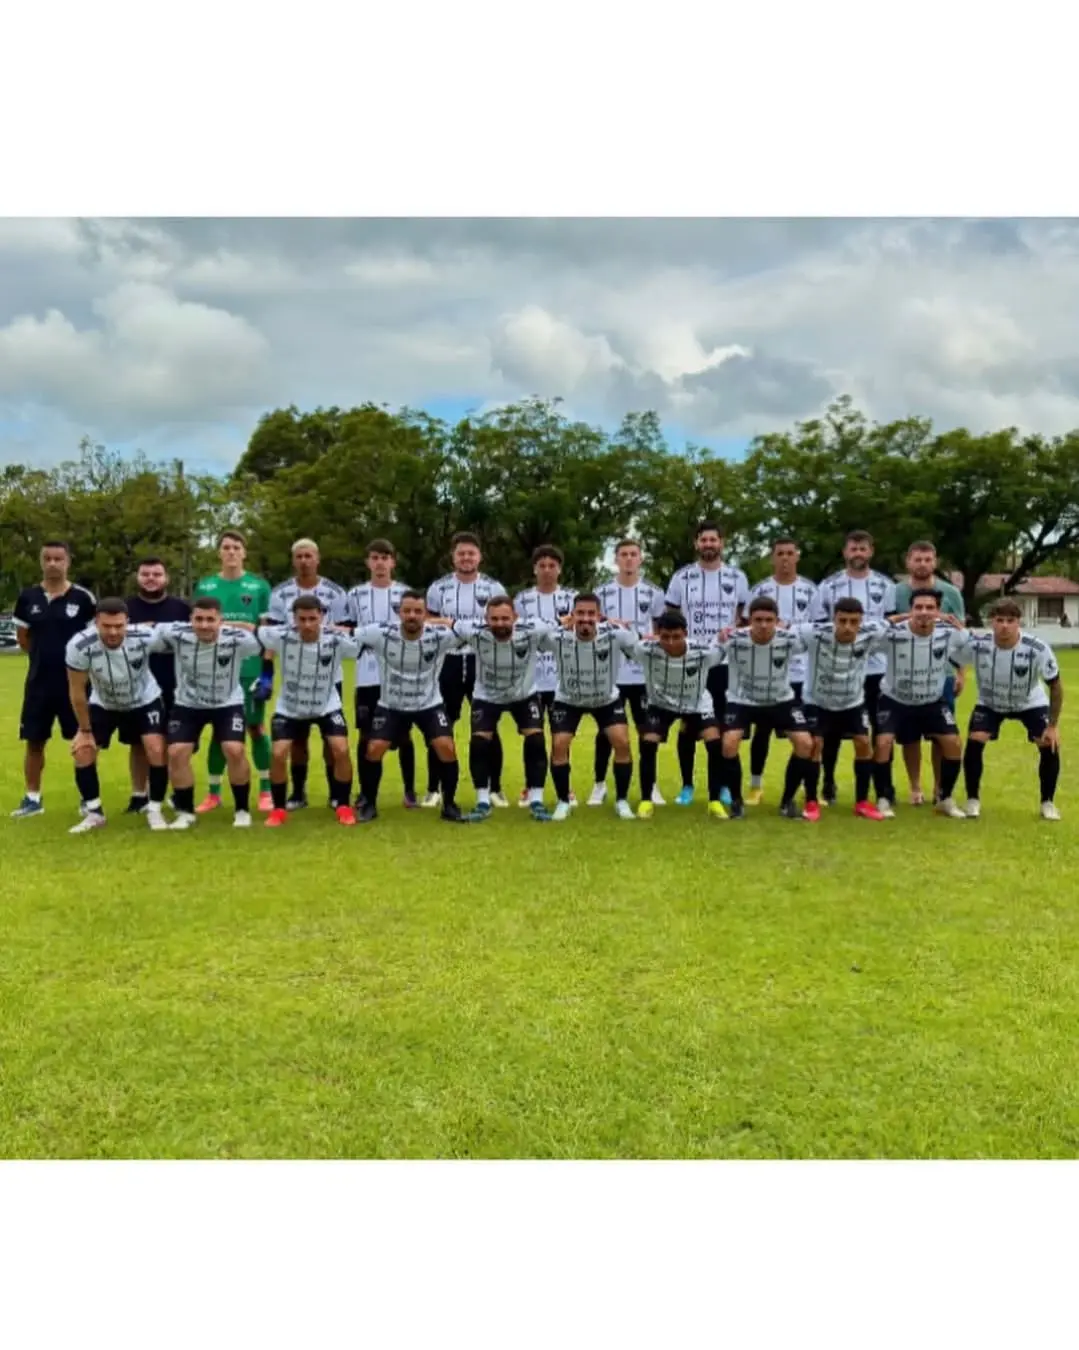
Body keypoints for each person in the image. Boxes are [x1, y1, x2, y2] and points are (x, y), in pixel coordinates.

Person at [352, 590, 472, 823]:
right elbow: (347, 633)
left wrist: (445, 621)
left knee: (446, 746)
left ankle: (449, 805)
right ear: (399, 613)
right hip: (391, 704)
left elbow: (470, 631)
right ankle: (369, 803)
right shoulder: (380, 633)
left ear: (426, 614)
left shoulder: (439, 635)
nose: (412, 616)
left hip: (429, 704)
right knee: (374, 747)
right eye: (407, 611)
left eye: (418, 611)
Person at [151, 597, 263, 829]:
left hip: (227, 702)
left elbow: (264, 636)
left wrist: (243, 625)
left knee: (234, 750)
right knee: (176, 752)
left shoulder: (239, 639)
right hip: (188, 703)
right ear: (190, 619)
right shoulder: (176, 632)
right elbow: (147, 627)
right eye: (198, 619)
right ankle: (185, 811)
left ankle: (242, 810)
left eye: (210, 619)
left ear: (220, 620)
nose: (204, 625)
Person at [64, 599, 170, 834]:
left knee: (155, 748)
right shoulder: (79, 645)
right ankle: (94, 813)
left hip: (144, 700)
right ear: (96, 623)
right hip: (104, 703)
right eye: (106, 626)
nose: (113, 632)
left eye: (119, 626)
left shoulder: (144, 636)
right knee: (83, 751)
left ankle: (154, 809)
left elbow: (181, 641)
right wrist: (84, 730)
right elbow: (77, 691)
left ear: (127, 623)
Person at [665, 520, 749, 806]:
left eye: (714, 540)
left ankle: (724, 785)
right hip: (690, 661)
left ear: (722, 543)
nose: (709, 545)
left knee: (724, 728)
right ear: (696, 543)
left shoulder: (738, 578)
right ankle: (687, 786)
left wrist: (733, 633)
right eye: (704, 540)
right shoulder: (681, 578)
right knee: (688, 725)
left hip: (724, 663)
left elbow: (744, 619)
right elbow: (670, 619)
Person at [191, 531, 274, 815]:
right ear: (219, 552)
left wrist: (267, 673)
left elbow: (266, 633)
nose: (231, 552)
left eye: (236, 547)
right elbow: (197, 629)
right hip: (216, 670)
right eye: (225, 547)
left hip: (249, 669)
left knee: (254, 727)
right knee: (219, 730)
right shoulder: (206, 585)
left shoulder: (258, 586)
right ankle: (214, 793)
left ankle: (265, 790)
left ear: (244, 552)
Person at [11, 541, 97, 818]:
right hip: (38, 683)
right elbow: (24, 640)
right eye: (47, 558)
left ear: (68, 561)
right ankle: (32, 799)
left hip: (74, 684)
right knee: (34, 741)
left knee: (82, 739)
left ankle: (88, 798)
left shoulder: (83, 598)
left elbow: (92, 640)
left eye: (58, 558)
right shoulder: (27, 598)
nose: (52, 563)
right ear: (41, 561)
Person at [451, 596, 555, 822]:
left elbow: (564, 621)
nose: (500, 623)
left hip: (523, 695)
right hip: (486, 696)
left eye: (505, 618)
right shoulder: (474, 632)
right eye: (494, 619)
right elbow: (446, 622)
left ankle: (536, 799)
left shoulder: (533, 629)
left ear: (515, 618)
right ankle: (482, 801)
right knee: (479, 743)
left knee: (536, 740)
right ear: (486, 619)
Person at [956, 598, 1063, 821]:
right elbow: (954, 657)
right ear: (991, 622)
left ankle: (1048, 802)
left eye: (1010, 620)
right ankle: (972, 799)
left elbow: (1055, 685)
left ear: (1018, 623)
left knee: (1048, 744)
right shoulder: (978, 644)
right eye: (999, 620)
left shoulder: (1037, 648)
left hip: (1029, 702)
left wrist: (1052, 726)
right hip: (990, 702)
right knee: (975, 740)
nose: (1004, 625)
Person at [258, 596, 360, 828]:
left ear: (321, 617)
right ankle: (279, 809)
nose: (307, 624)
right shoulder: (280, 636)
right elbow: (254, 630)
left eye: (312, 619)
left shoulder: (337, 640)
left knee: (340, 749)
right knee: (278, 753)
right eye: (301, 619)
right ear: (293, 618)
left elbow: (362, 641)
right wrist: (265, 677)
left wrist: (344, 629)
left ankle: (343, 804)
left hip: (326, 704)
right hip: (290, 706)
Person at [813, 529, 898, 804]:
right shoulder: (828, 586)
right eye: (853, 548)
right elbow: (819, 627)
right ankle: (828, 782)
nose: (858, 553)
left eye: (863, 549)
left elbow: (890, 626)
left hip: (876, 669)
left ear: (871, 551)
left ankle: (882, 787)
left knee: (879, 729)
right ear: (845, 552)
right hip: (839, 668)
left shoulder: (886, 586)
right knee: (832, 732)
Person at [870, 589, 970, 820]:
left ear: (938, 611)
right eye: (919, 607)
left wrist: (962, 632)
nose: (924, 612)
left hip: (932, 700)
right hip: (895, 699)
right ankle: (884, 798)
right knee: (883, 743)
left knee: (953, 743)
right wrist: (890, 620)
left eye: (930, 608)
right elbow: (866, 637)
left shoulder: (949, 634)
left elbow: (969, 648)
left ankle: (944, 798)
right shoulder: (893, 634)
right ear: (910, 610)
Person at [425, 533, 508, 808]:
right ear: (453, 556)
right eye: (461, 553)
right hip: (447, 661)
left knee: (487, 727)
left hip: (481, 661)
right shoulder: (439, 588)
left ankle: (494, 788)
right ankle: (433, 788)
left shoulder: (494, 587)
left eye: (471, 553)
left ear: (479, 557)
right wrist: (445, 622)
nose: (466, 558)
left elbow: (503, 622)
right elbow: (427, 620)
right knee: (440, 726)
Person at [267, 538, 349, 810]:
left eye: (308, 556)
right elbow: (272, 640)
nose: (304, 561)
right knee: (297, 740)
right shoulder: (280, 594)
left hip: (328, 677)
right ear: (293, 560)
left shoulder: (335, 593)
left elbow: (346, 632)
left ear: (317, 558)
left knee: (332, 740)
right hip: (296, 677)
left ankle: (336, 794)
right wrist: (267, 675)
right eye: (299, 556)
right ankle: (298, 793)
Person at [542, 594, 639, 821]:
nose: (585, 619)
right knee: (559, 744)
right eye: (580, 613)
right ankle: (563, 801)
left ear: (599, 616)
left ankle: (622, 800)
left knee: (622, 742)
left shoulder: (615, 635)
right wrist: (558, 622)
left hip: (605, 699)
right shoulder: (557, 637)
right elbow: (530, 633)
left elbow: (640, 643)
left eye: (590, 614)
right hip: (568, 699)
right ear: (573, 615)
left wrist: (627, 628)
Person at [718, 597, 815, 820]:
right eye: (758, 620)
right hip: (742, 700)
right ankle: (736, 801)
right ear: (749, 620)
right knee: (729, 743)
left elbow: (818, 636)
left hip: (780, 700)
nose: (763, 625)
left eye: (769, 620)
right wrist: (720, 634)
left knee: (805, 743)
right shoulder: (733, 639)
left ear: (777, 621)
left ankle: (787, 802)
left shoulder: (790, 639)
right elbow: (707, 651)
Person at [791, 599, 888, 821]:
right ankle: (812, 801)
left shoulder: (871, 632)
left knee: (864, 743)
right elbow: (788, 630)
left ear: (861, 621)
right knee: (815, 745)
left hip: (852, 702)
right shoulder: (814, 632)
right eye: (842, 621)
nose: (847, 627)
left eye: (854, 622)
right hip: (817, 701)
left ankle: (862, 801)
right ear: (833, 619)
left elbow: (892, 622)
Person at [592, 539, 667, 807]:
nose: (628, 559)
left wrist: (652, 637)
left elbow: (660, 631)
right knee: (605, 733)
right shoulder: (601, 592)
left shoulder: (654, 593)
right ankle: (599, 785)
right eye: (623, 554)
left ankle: (652, 785)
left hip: (642, 675)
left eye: (633, 554)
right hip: (610, 674)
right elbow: (591, 624)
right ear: (616, 559)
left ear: (640, 559)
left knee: (648, 732)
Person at [630, 612, 727, 820]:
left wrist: (724, 636)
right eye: (665, 637)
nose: (671, 642)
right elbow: (630, 641)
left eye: (676, 636)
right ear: (657, 635)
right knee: (648, 743)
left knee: (714, 743)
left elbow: (723, 647)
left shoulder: (704, 653)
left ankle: (715, 801)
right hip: (660, 704)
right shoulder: (645, 650)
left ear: (686, 633)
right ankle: (646, 800)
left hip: (697, 704)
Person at [891, 540, 966, 806]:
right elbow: (887, 627)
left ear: (935, 562)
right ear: (908, 562)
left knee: (940, 734)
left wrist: (960, 673)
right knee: (909, 736)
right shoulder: (896, 591)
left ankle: (939, 786)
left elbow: (959, 636)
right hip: (904, 674)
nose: (922, 564)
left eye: (927, 559)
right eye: (917, 559)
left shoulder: (950, 593)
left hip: (940, 673)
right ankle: (914, 786)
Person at [344, 539, 417, 808]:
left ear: (393, 562)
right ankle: (365, 792)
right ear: (368, 562)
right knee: (366, 735)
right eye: (374, 558)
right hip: (367, 676)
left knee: (404, 736)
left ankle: (409, 791)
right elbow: (347, 629)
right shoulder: (354, 595)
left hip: (400, 676)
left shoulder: (405, 593)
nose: (380, 563)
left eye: (385, 558)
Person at [744, 538, 818, 805]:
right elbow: (746, 627)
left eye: (790, 553)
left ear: (797, 556)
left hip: (802, 673)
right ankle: (755, 785)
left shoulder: (811, 590)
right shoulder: (760, 589)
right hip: (767, 673)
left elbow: (819, 630)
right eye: (780, 554)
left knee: (808, 734)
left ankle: (810, 788)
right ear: (772, 558)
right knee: (761, 732)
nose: (785, 558)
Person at [124, 557, 190, 814]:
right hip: (136, 685)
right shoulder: (126, 608)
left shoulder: (182, 608)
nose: (151, 578)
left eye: (156, 574)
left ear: (166, 578)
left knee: (175, 743)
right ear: (138, 577)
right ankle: (139, 794)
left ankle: (176, 793)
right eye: (145, 574)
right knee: (138, 743)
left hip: (174, 683)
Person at [514, 545, 577, 805]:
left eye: (552, 566)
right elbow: (520, 632)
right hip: (532, 679)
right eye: (542, 566)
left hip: (562, 678)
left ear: (559, 569)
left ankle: (566, 789)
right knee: (533, 736)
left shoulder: (573, 598)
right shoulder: (522, 600)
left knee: (561, 737)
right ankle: (530, 786)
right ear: (534, 569)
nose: (547, 571)